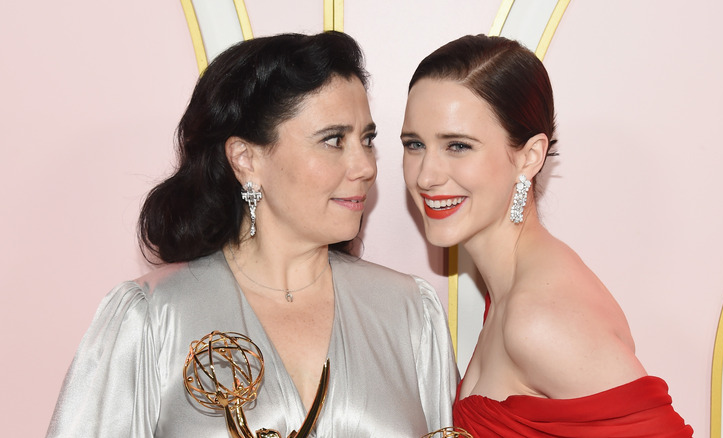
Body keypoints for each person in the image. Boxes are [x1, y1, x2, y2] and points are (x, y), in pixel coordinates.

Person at [47, 32, 458, 438]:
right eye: (333, 140)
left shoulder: (409, 314)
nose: (365, 166)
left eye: (366, 140)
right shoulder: (153, 319)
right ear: (246, 159)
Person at [401, 35, 693, 437]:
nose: (426, 175)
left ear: (529, 156)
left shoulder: (538, 318)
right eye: (415, 144)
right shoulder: (513, 287)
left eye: (457, 145)